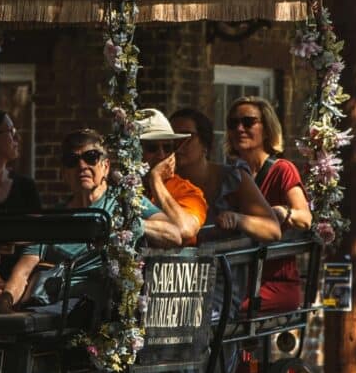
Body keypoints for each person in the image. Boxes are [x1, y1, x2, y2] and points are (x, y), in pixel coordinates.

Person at [0, 128, 188, 309]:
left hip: (105, 310)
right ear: (64, 173)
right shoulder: (54, 218)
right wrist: (5, 303)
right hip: (56, 308)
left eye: (91, 158)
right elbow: (22, 272)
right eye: (72, 161)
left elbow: (174, 234)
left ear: (105, 167)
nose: (82, 166)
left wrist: (127, 225)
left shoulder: (126, 202)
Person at [227, 95, 309, 313]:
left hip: (274, 283)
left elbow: (305, 218)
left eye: (248, 122)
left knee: (225, 312)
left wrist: (282, 212)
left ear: (267, 128)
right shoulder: (230, 175)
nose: (239, 128)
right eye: (233, 124)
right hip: (237, 281)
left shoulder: (282, 169)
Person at [167, 105, 282, 241]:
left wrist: (238, 219)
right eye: (171, 139)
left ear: (205, 143)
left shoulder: (232, 178)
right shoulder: (161, 181)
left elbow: (273, 230)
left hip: (226, 260)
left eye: (186, 138)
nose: (177, 146)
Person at [132, 108, 206, 244]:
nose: (161, 155)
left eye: (167, 148)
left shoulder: (187, 191)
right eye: (152, 148)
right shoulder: (121, 187)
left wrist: (155, 180)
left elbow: (184, 229)